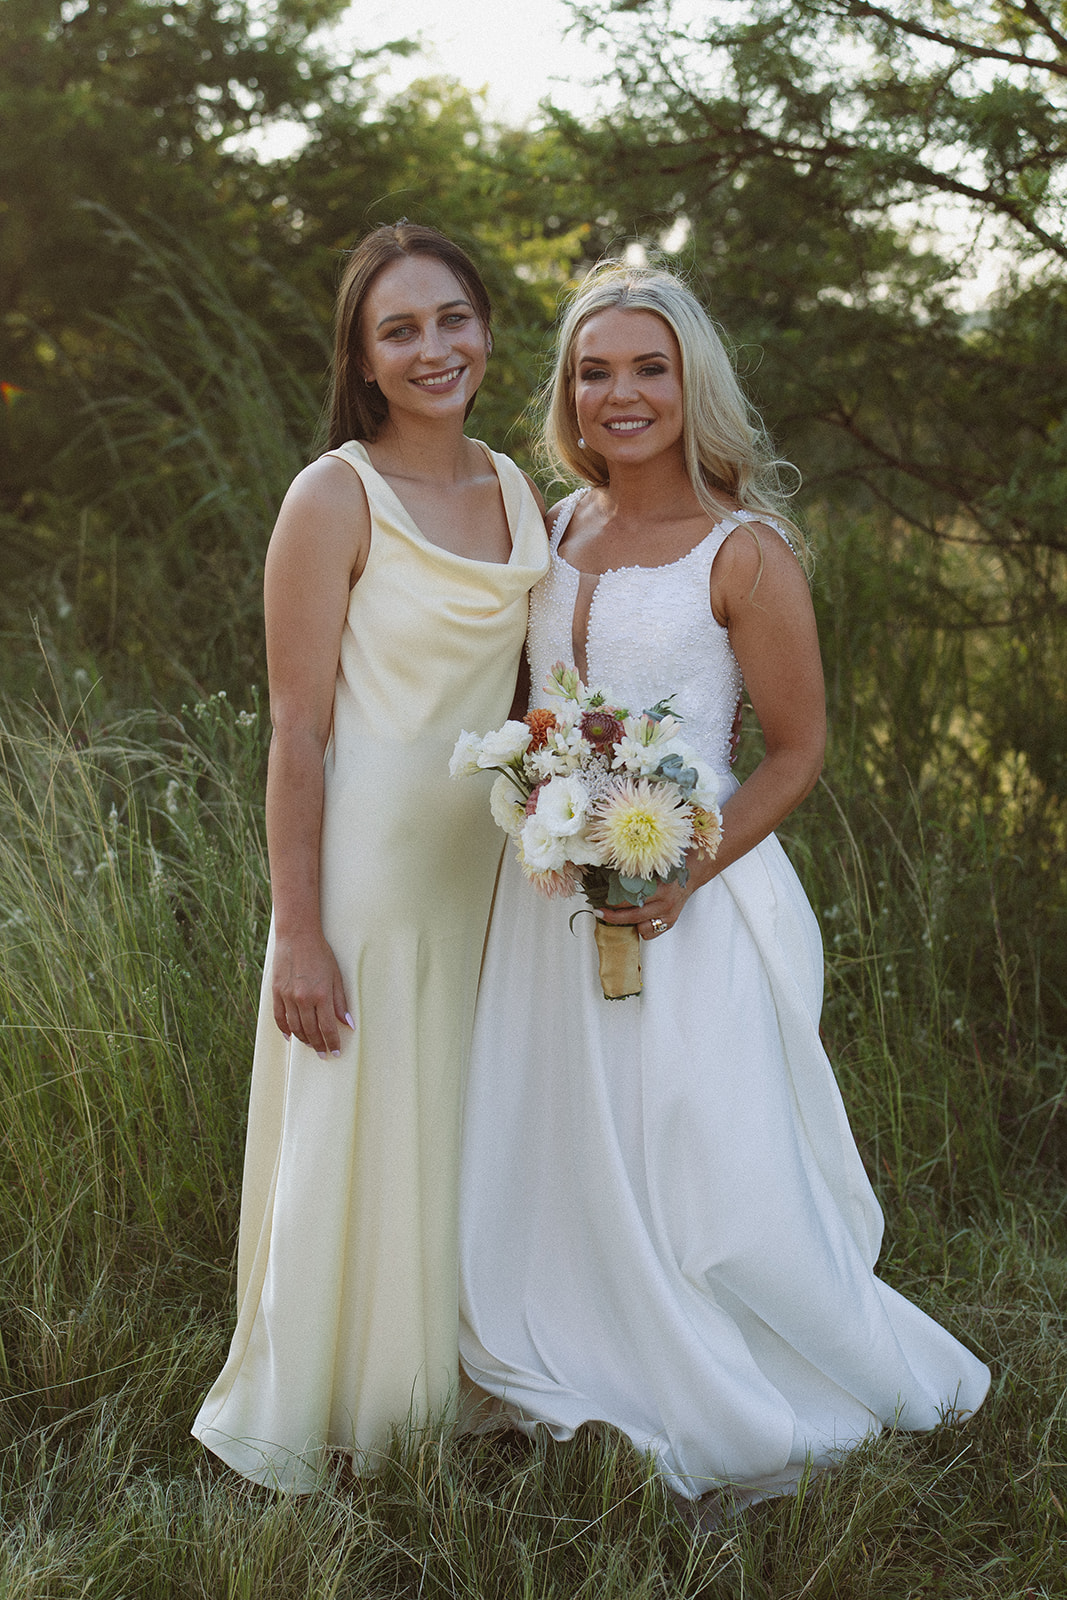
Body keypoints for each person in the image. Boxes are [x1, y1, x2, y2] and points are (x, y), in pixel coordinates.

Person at [458, 263, 989, 1514]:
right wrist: (542, 802)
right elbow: (528, 702)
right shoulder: (553, 524)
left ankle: (731, 1367)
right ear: (569, 395)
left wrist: (684, 872)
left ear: (691, 383)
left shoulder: (743, 554)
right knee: (558, 1130)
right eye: (595, 371)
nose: (620, 393)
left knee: (692, 1142)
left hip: (690, 887)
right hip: (549, 889)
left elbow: (795, 750)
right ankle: (574, 1347)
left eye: (648, 368)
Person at [192, 222, 549, 1490]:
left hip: (492, 871)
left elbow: (528, 687)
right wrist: (297, 928)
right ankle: (325, 1403)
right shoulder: (330, 494)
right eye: (399, 328)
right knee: (352, 1124)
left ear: (486, 329)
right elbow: (297, 730)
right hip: (366, 880)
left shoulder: (516, 488)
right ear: (360, 354)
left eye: (451, 317)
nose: (432, 346)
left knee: (467, 1117)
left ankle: (447, 1375)